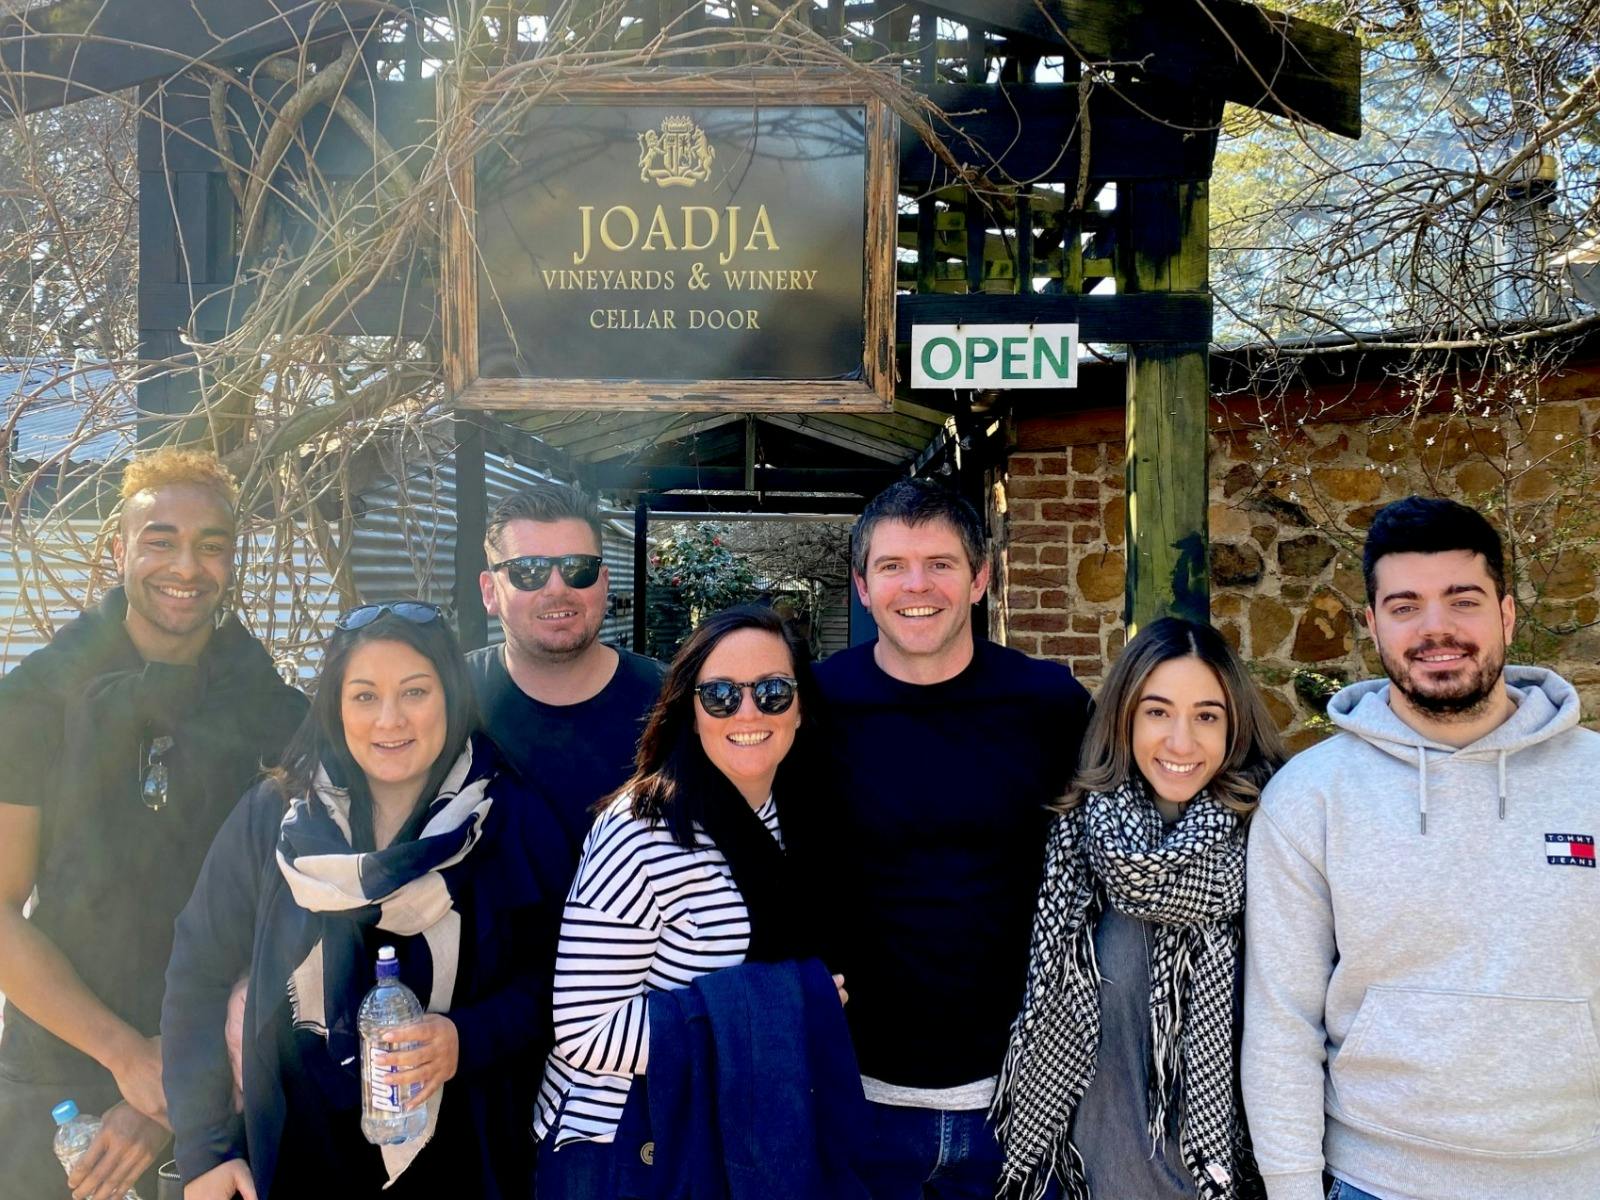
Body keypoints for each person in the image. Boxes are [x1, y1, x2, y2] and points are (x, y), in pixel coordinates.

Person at [1242, 495, 1600, 1200]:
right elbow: (1282, 1024)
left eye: (1462, 600)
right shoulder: (1311, 796)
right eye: (1405, 606)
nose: (1436, 628)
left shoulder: (1593, 782)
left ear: (1506, 613)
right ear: (1373, 624)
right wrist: (1290, 1188)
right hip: (1376, 1180)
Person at [161, 602, 570, 1200]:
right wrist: (204, 1152)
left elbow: (559, 981)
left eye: (414, 692)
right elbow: (196, 971)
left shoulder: (508, 819)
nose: (389, 720)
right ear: (335, 705)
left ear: (450, 698)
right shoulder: (277, 820)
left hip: (463, 1159)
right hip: (300, 1157)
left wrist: (467, 1038)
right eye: (363, 696)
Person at [0, 448, 307, 1200]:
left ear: (233, 560)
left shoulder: (280, 718)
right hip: (61, 1071)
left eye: (211, 545)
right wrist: (128, 1058)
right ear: (119, 551)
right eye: (160, 539)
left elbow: (295, 921)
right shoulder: (33, 700)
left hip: (226, 1078)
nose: (186, 565)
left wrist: (182, 1071)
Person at [814, 478, 1092, 1199]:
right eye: (892, 566)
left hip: (1025, 1098)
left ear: (980, 579)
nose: (918, 585)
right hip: (855, 1099)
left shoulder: (1050, 704)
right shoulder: (812, 707)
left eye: (940, 563)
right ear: (862, 586)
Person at [534, 604, 846, 1195]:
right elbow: (585, 1030)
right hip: (628, 1145)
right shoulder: (642, 830)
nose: (748, 711)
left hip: (733, 1131)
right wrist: (788, 1006)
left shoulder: (795, 817)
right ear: (690, 710)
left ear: (801, 710)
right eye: (721, 694)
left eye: (774, 692)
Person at [993, 617, 1285, 1200]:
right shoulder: (1076, 845)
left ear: (1234, 726)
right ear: (1124, 717)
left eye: (1206, 715)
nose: (1181, 742)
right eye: (1157, 712)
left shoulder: (1274, 842)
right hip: (1093, 1183)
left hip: (1234, 1185)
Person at [470, 485, 665, 852]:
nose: (557, 588)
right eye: (528, 571)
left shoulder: (671, 700)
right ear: (490, 591)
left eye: (579, 568)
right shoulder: (448, 698)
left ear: (604, 583)